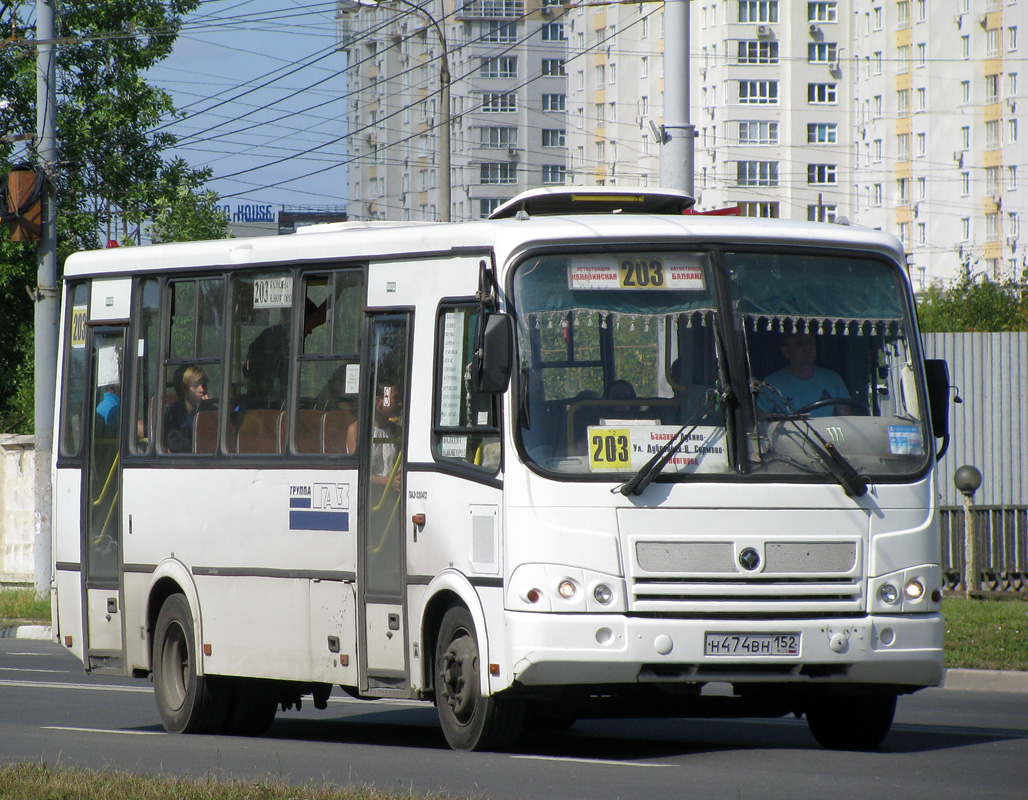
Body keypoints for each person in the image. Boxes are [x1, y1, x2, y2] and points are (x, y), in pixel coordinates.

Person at [762, 332, 852, 417]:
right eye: (800, 343)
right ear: (786, 352)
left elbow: (846, 417)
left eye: (810, 341)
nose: (808, 347)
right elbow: (761, 420)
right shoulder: (771, 384)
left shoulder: (833, 379)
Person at [347, 382, 403, 490]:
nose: (400, 403)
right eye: (396, 398)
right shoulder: (357, 430)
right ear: (378, 401)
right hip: (368, 493)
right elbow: (355, 472)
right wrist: (388, 481)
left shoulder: (397, 431)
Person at [163, 364, 212, 452]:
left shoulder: (210, 411)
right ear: (183, 389)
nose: (202, 389)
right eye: (196, 385)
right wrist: (201, 417)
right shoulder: (173, 414)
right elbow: (178, 446)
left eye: (204, 384)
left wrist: (207, 414)